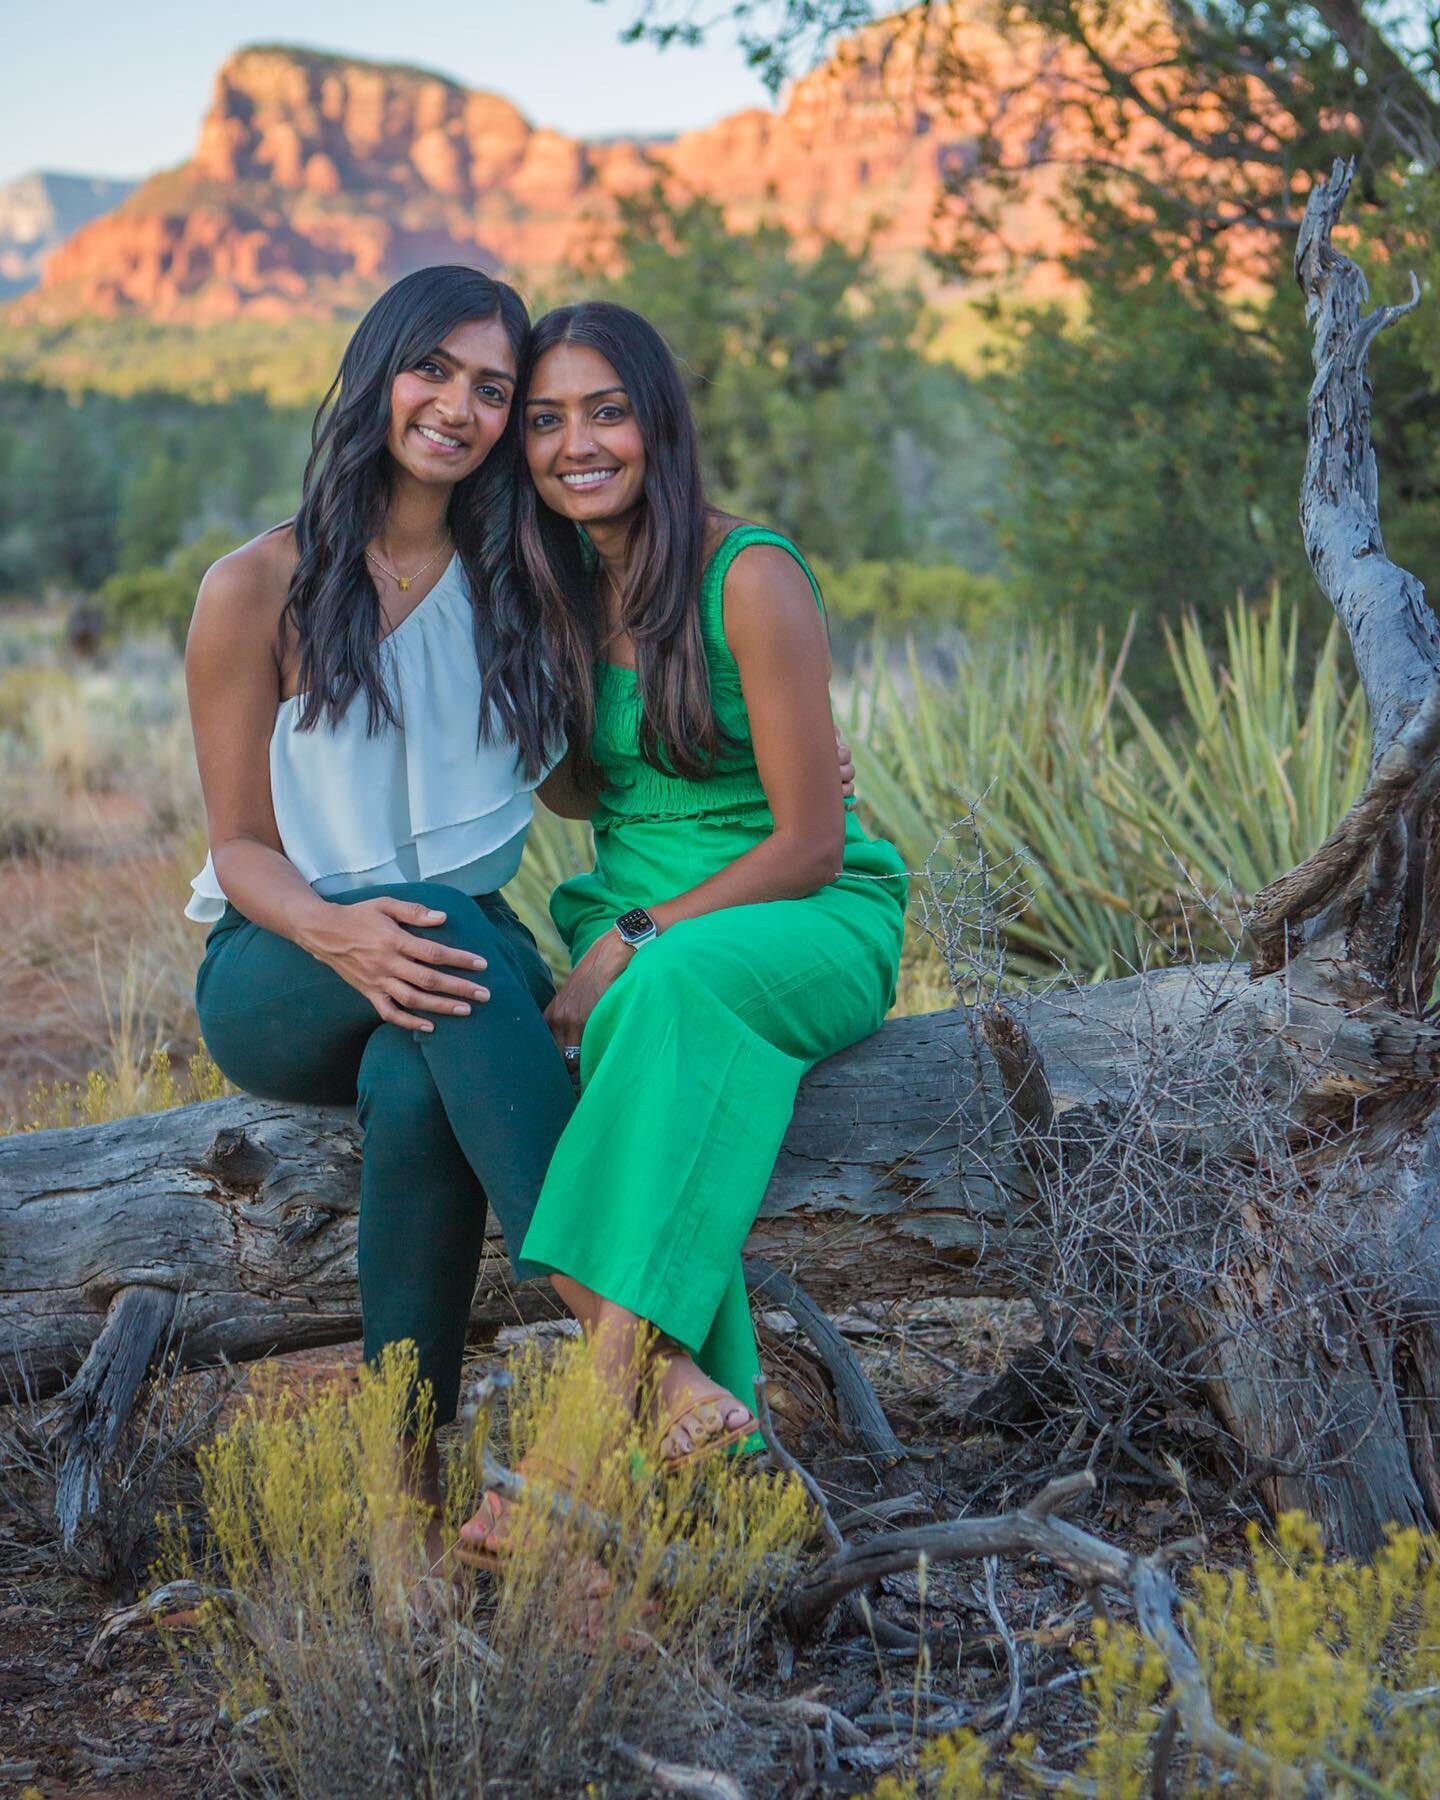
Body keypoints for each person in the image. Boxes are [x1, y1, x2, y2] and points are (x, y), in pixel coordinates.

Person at [458, 302, 907, 1566]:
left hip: (801, 914)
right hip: (643, 922)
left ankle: (586, 1425)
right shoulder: (553, 589)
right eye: (543, 421)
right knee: (569, 1046)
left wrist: (642, 934)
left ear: (657, 421)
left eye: (605, 411)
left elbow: (811, 843)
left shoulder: (747, 574)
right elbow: (573, 788)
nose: (574, 443)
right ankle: (705, 1432)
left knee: (655, 998)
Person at [184, 266, 579, 1578]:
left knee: (417, 1083)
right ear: (377, 370)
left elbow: (592, 771)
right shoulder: (257, 587)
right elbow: (238, 846)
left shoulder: (521, 576)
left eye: (493, 390)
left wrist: (781, 763)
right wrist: (335, 929)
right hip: (278, 962)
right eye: (436, 371)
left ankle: (402, 1511)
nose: (459, 409)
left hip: (441, 963)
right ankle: (628, 1325)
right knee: (452, 942)